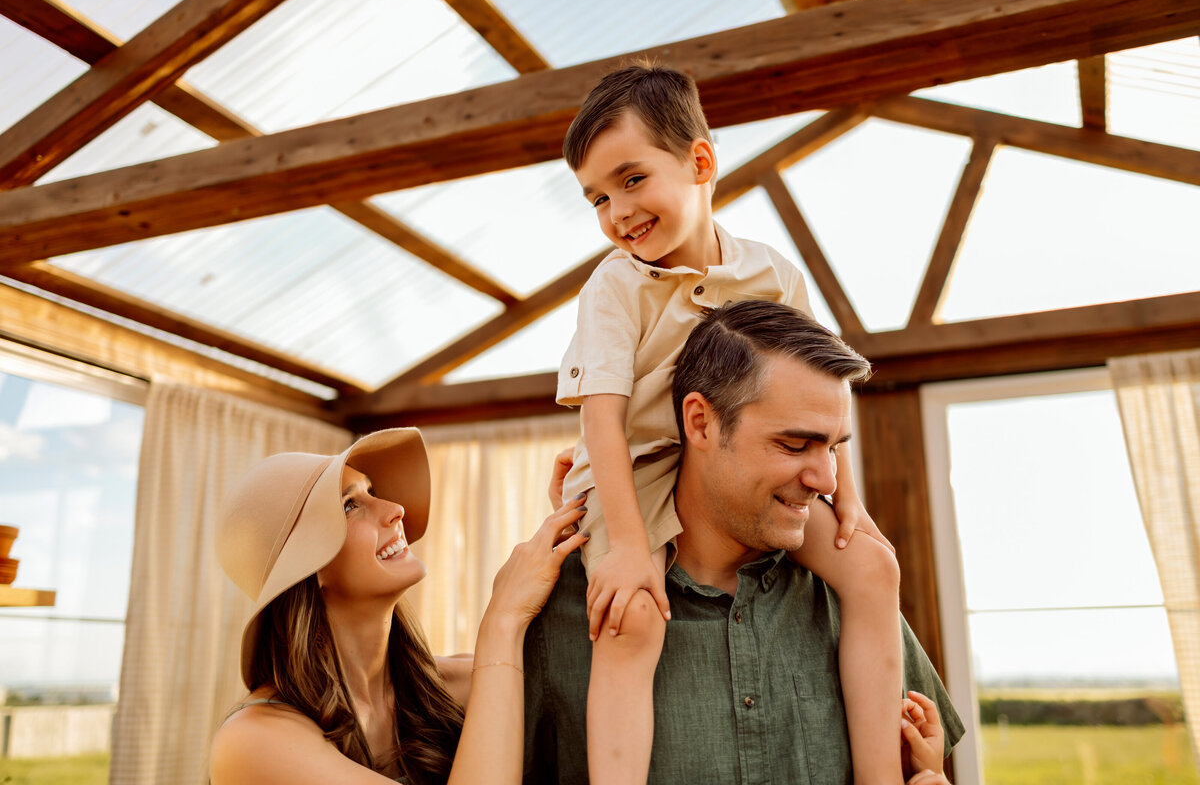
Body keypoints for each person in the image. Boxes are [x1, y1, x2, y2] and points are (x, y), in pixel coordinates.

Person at [556, 63, 903, 783]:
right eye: (596, 198)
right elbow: (603, 421)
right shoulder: (614, 287)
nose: (616, 212)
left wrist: (848, 497)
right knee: (634, 616)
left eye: (630, 180)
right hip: (636, 473)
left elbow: (824, 392)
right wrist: (624, 545)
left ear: (701, 162)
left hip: (739, 468)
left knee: (872, 565)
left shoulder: (772, 273)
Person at [526, 300, 965, 784]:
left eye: (836, 446)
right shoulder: (559, 613)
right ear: (700, 423)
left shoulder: (856, 597)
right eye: (794, 445)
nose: (826, 480)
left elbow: (919, 771)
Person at [209, 428, 589, 784]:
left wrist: (585, 520)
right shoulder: (252, 742)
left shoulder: (456, 687)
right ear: (309, 571)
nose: (395, 508)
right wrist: (501, 619)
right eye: (349, 506)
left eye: (372, 491)